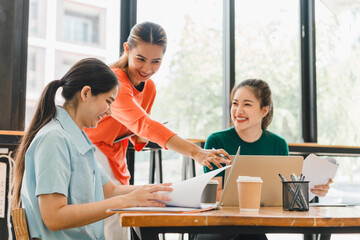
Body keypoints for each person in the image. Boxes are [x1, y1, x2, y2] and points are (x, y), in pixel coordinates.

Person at [84, 21, 231, 239]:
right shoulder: (114, 81)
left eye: (156, 61)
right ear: (127, 49)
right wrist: (196, 152)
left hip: (115, 156)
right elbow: (143, 124)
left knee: (130, 216)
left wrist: (153, 132)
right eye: (140, 59)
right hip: (90, 151)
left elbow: (138, 132)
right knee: (116, 217)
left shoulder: (149, 88)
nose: (146, 69)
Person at [11, 58, 173, 240]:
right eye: (108, 101)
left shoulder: (78, 138)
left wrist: (155, 191)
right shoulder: (54, 138)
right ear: (86, 93)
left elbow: (109, 190)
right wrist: (125, 202)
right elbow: (54, 217)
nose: (110, 112)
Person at [197, 79, 332, 240]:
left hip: (255, 226)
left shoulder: (278, 144)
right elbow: (213, 195)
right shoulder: (217, 142)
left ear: (264, 110)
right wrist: (258, 197)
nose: (238, 110)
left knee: (252, 236)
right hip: (219, 223)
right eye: (235, 103)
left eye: (247, 104)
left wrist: (312, 189)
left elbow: (283, 198)